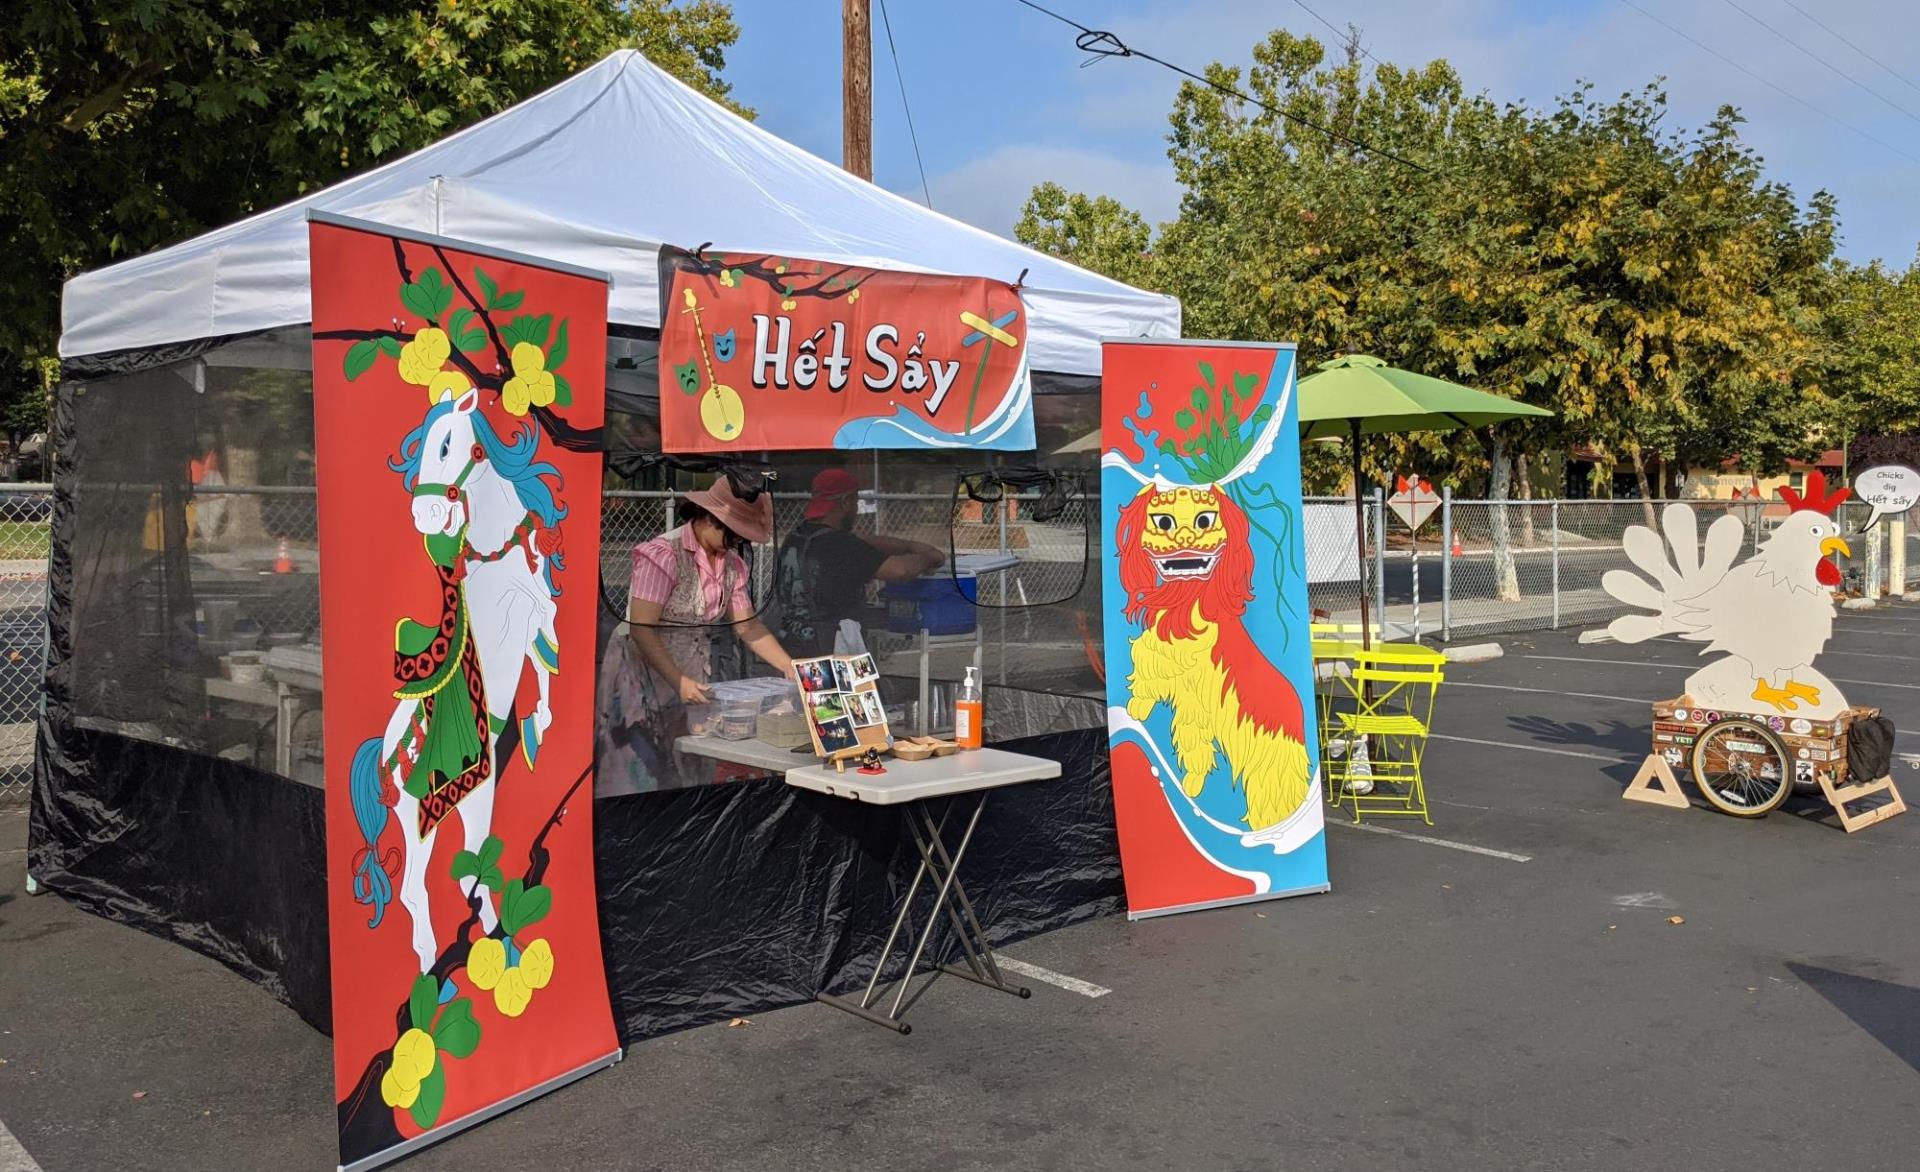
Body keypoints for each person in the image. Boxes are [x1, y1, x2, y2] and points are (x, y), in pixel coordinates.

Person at [596, 477, 792, 792]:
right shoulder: (662, 555)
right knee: (639, 761)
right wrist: (678, 681)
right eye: (732, 534)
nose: (734, 543)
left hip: (690, 668)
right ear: (708, 517)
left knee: (688, 756)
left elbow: (748, 626)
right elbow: (642, 629)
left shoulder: (733, 566)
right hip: (641, 668)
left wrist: (789, 666)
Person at [773, 468, 946, 658]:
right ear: (845, 502)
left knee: (803, 689)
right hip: (832, 648)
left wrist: (909, 545)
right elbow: (899, 570)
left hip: (793, 642)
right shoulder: (840, 546)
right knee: (850, 690)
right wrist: (929, 557)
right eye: (856, 501)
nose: (856, 509)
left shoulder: (799, 535)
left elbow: (863, 542)